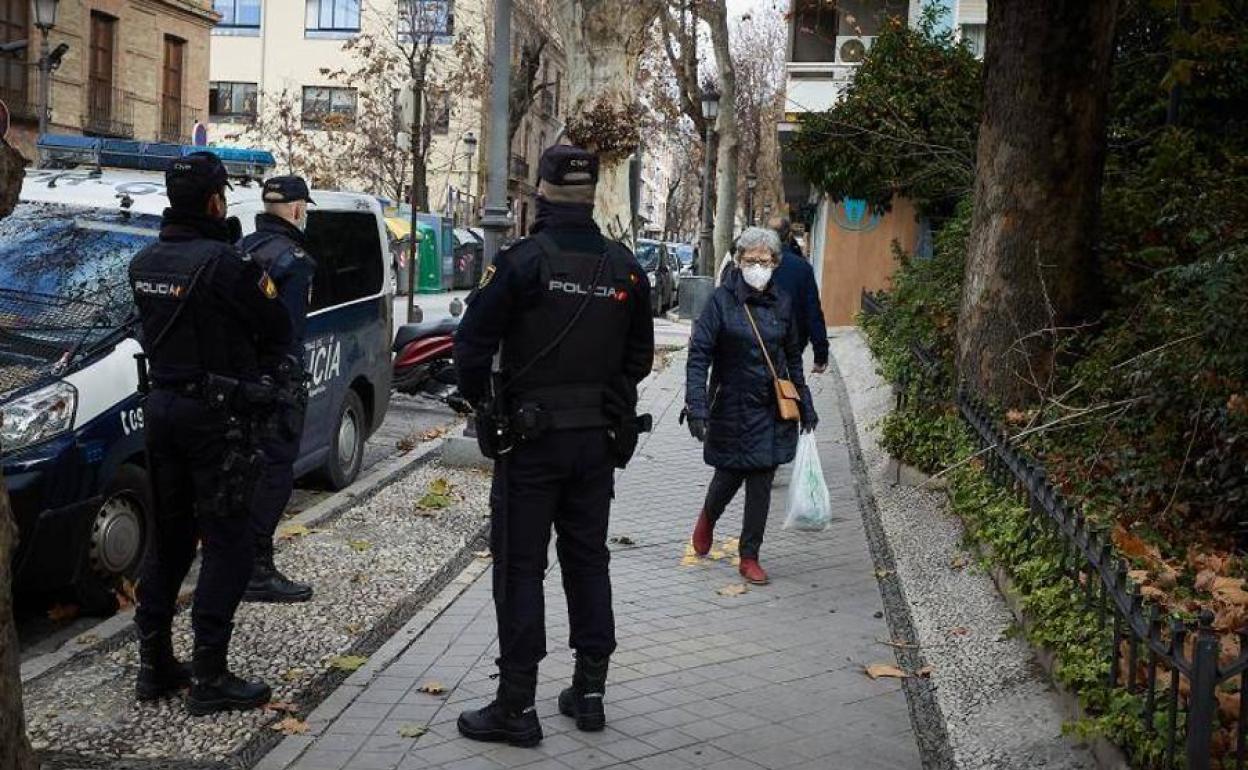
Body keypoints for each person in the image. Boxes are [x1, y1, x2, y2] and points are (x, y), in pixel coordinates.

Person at [453, 145, 655, 747]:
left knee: (520, 567)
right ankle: (589, 691)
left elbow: (470, 348)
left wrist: (486, 408)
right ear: (593, 196)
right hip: (595, 442)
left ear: (539, 192)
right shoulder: (626, 268)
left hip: (531, 442)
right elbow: (638, 359)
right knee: (587, 559)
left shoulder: (521, 263)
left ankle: (516, 705)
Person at [129, 151, 292, 715]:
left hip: (163, 410)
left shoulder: (145, 260)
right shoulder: (229, 265)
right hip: (217, 421)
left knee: (169, 540)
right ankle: (209, 674)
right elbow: (277, 327)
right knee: (227, 542)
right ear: (216, 201)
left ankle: (154, 664)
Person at [683, 226, 817, 586]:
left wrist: (805, 401)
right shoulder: (721, 301)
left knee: (761, 478)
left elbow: (792, 356)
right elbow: (699, 355)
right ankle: (708, 517)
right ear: (738, 261)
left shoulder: (783, 301)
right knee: (729, 473)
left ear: (775, 262)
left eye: (764, 260)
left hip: (770, 407)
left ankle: (750, 555)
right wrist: (696, 404)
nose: (757, 266)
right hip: (730, 403)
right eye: (750, 260)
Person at [241, 176, 318, 604]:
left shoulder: (243, 250)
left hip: (240, 382)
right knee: (274, 475)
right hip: (276, 386)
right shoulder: (296, 260)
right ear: (294, 210)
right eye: (303, 207)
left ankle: (239, 563)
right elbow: (288, 332)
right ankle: (258, 568)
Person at [768, 217, 829, 374]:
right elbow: (813, 311)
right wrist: (820, 354)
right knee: (788, 391)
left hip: (759, 343)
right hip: (792, 343)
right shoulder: (802, 268)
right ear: (788, 235)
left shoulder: (756, 264)